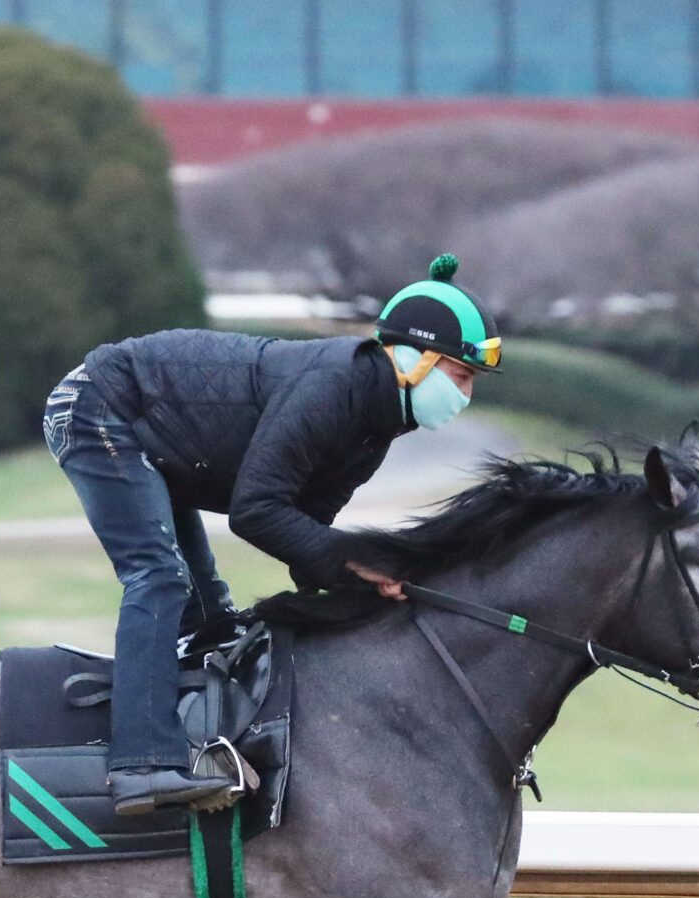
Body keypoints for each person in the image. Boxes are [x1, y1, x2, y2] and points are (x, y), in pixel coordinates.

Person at [43, 252, 501, 815]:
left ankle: (195, 748)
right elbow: (256, 511)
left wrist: (368, 581)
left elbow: (306, 536)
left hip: (162, 441)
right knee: (160, 579)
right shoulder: (332, 388)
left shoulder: (376, 429)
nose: (466, 396)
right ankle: (141, 766)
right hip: (100, 406)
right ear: (416, 359)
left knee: (210, 614)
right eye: (461, 376)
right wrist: (354, 560)